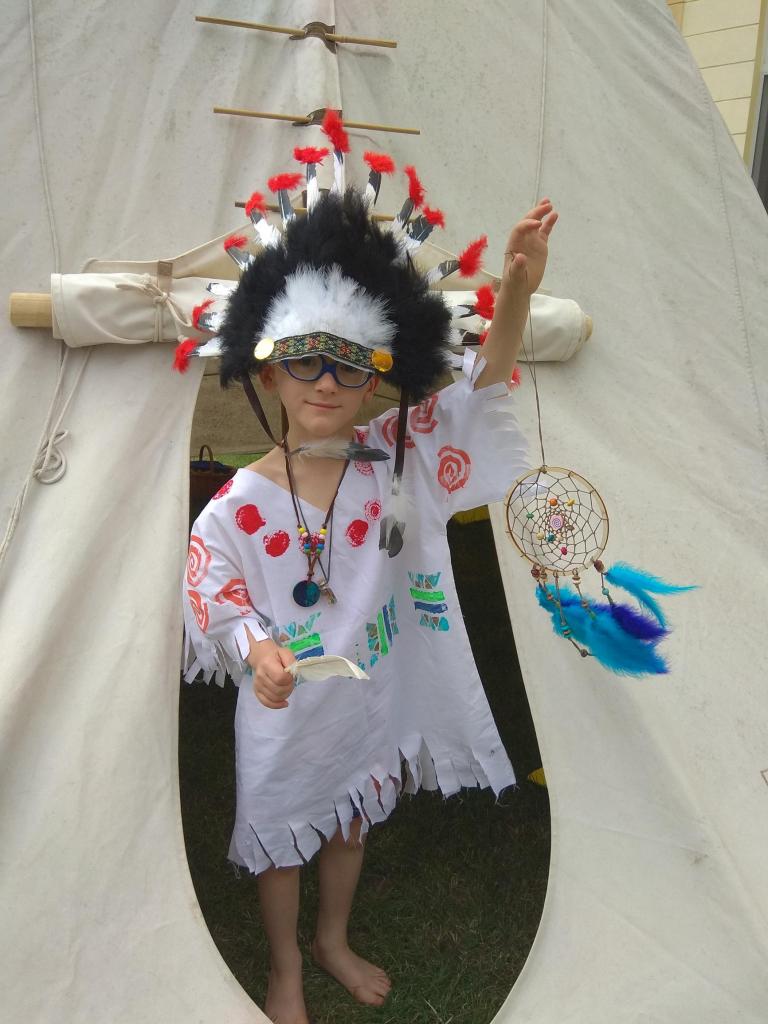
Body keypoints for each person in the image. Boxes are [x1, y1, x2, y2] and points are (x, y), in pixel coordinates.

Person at [181, 156, 557, 1024]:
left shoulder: (394, 452)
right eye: (305, 361)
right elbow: (212, 587)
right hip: (284, 710)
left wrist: (517, 292)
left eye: (349, 366)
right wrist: (255, 651)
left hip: (365, 696)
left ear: (375, 377)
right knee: (283, 843)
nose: (326, 381)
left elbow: (482, 387)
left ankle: (332, 941)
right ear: (266, 373)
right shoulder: (234, 505)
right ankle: (285, 966)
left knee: (352, 819)